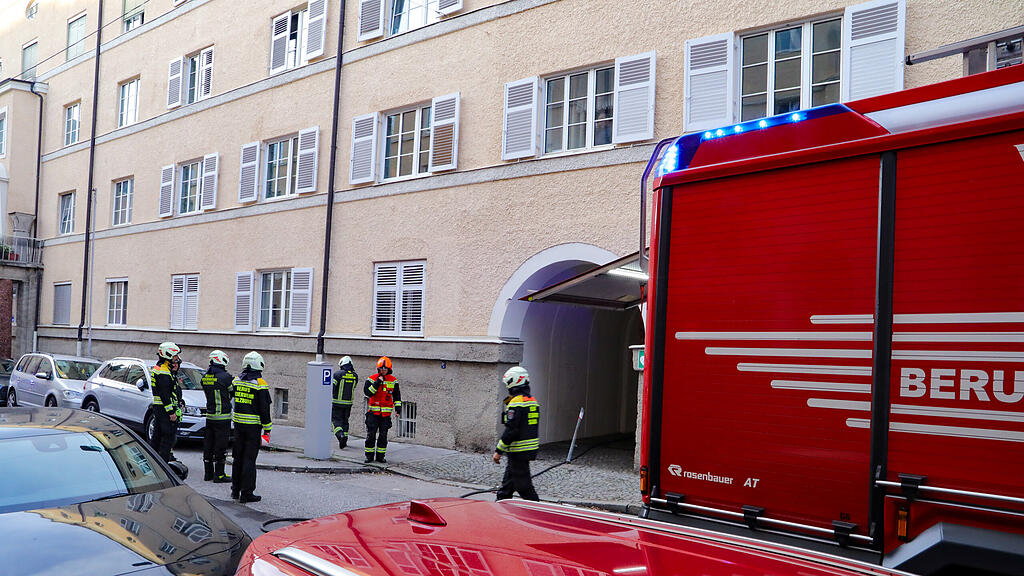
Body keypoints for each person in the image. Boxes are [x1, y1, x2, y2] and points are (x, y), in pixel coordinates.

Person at [493, 366, 540, 501]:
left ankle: (537, 510)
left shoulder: (516, 403)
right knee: (506, 488)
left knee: (525, 488)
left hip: (518, 451)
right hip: (528, 449)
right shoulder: (532, 401)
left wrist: (499, 450)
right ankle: (500, 504)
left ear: (513, 382)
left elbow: (512, 430)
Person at [231, 351, 272, 504]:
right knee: (249, 460)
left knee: (237, 458)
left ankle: (235, 490)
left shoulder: (236, 381)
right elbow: (264, 409)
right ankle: (246, 493)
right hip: (253, 428)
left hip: (238, 426)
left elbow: (232, 400)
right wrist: (267, 429)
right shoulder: (260, 384)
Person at [201, 349, 233, 483]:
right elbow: (233, 392)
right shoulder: (226, 377)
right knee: (220, 446)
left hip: (210, 416)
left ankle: (208, 474)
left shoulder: (205, 377)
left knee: (208, 445)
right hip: (223, 417)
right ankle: (219, 475)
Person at [151, 342, 183, 464]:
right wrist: (171, 412)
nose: (177, 358)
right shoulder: (164, 372)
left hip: (160, 409)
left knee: (157, 437)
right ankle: (162, 466)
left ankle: (153, 463)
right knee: (167, 439)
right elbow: (164, 394)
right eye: (175, 356)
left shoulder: (161, 368)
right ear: (168, 355)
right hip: (164, 410)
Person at [364, 356, 401, 464]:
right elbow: (368, 393)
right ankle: (369, 457)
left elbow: (397, 396)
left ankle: (380, 457)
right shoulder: (371, 379)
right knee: (371, 435)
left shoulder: (393, 380)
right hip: (373, 413)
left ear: (389, 369)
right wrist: (377, 383)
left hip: (385, 415)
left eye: (385, 369)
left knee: (383, 436)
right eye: (381, 369)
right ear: (378, 369)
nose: (383, 370)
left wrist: (398, 409)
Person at [331, 356, 358, 449]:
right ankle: (345, 440)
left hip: (337, 403)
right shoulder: (355, 376)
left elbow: (332, 388)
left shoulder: (337, 374)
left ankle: (340, 435)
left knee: (336, 421)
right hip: (348, 404)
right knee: (345, 422)